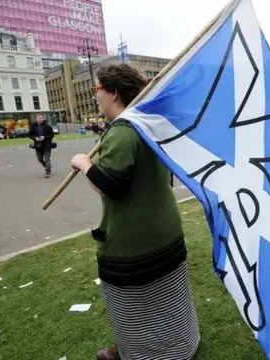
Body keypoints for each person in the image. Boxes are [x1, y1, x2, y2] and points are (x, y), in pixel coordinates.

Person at [70, 64, 200, 360]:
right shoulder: (147, 124)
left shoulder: (124, 131)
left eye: (96, 90)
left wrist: (83, 164)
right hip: (165, 228)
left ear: (113, 92)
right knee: (169, 298)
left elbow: (112, 187)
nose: (95, 98)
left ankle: (142, 352)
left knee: (133, 302)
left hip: (134, 241)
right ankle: (178, 346)